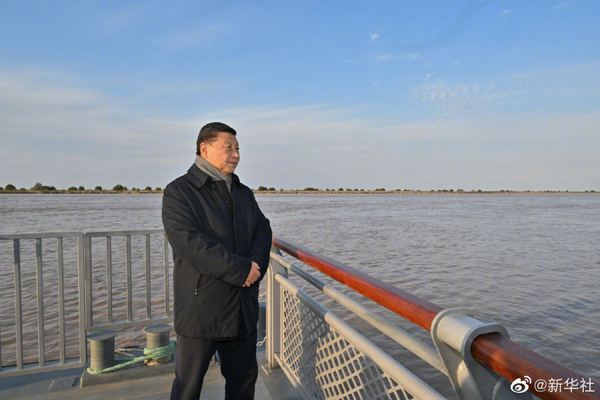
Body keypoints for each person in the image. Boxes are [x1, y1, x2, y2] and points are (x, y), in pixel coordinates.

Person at [162, 122, 272, 400]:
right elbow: (191, 244)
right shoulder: (179, 191)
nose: (236, 154)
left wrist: (255, 269)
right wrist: (242, 270)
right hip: (201, 310)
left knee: (243, 383)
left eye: (238, 148)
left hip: (241, 308)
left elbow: (263, 230)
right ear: (205, 149)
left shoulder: (243, 192)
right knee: (187, 387)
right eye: (228, 148)